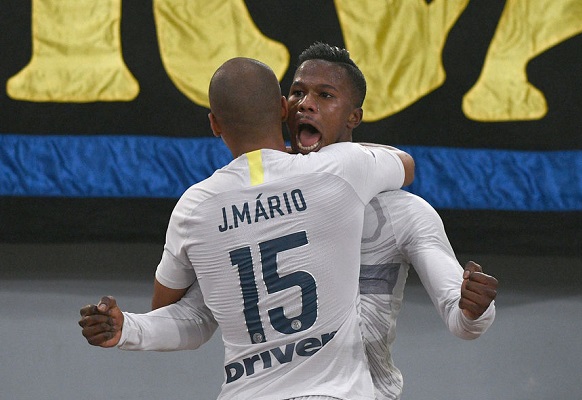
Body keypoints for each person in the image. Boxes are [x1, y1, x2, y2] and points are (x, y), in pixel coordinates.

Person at [80, 43, 498, 399]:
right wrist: (129, 328)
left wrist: (476, 310)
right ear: (282, 108)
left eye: (325, 95)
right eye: (297, 92)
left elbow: (462, 318)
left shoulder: (402, 211)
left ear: (353, 117)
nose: (305, 104)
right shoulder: (332, 176)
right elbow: (197, 315)